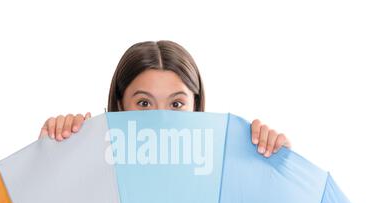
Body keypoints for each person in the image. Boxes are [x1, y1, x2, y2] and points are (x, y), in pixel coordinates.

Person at [38, 40, 291, 158]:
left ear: (195, 106)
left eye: (176, 104)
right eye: (144, 103)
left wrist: (273, 170)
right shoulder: (92, 169)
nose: (161, 118)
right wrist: (51, 159)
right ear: (120, 105)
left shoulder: (221, 173)